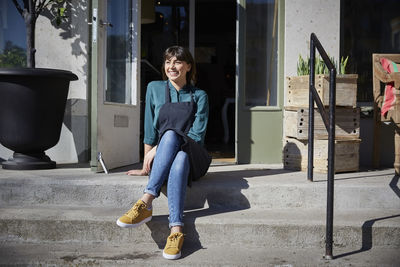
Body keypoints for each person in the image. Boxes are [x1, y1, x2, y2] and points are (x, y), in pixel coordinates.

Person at [116, 46, 211, 260]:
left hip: (195, 156)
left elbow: (196, 135)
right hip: (173, 159)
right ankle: (176, 231)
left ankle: (145, 201)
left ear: (188, 66)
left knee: (173, 140)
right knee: (179, 158)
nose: (172, 66)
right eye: (168, 62)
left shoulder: (200, 95)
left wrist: (159, 148)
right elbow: (150, 128)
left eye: (177, 62)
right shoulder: (154, 88)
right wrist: (145, 166)